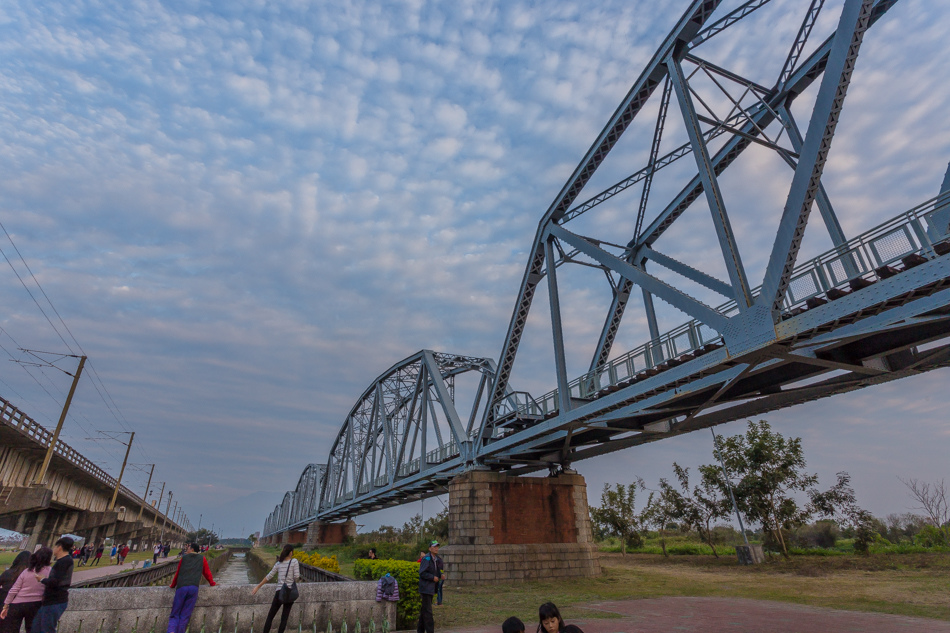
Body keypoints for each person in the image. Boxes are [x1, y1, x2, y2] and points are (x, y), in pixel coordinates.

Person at [1, 546, 52, 633]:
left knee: (11, 629)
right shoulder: (50, 571)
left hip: (18, 604)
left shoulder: (27, 571)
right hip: (36, 604)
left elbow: (14, 590)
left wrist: (6, 606)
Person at [251, 544, 301, 633]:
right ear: (290, 553)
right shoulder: (294, 562)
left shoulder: (278, 563)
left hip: (279, 592)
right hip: (290, 593)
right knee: (284, 618)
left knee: (270, 616)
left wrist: (258, 586)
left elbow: (269, 576)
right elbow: (297, 576)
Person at [167, 542, 216, 633]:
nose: (187, 550)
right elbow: (207, 573)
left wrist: (173, 585)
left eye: (188, 548)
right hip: (193, 588)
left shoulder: (184, 558)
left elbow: (178, 573)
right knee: (185, 615)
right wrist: (212, 583)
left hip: (182, 587)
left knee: (175, 613)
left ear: (192, 549)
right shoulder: (202, 559)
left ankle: (171, 631)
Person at [34, 536, 74, 633]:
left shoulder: (64, 562)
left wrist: (42, 579)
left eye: (55, 547)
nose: (54, 549)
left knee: (47, 629)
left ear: (59, 547)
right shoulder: (63, 561)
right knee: (36, 627)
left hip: (55, 601)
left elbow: (55, 582)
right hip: (50, 601)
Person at [416, 540, 444, 633]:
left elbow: (437, 571)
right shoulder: (426, 558)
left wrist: (440, 575)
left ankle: (420, 630)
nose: (436, 548)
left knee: (424, 610)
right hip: (425, 588)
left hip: (432, 588)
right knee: (428, 612)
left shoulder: (437, 559)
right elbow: (422, 573)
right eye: (434, 546)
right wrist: (433, 578)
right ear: (429, 548)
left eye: (437, 546)